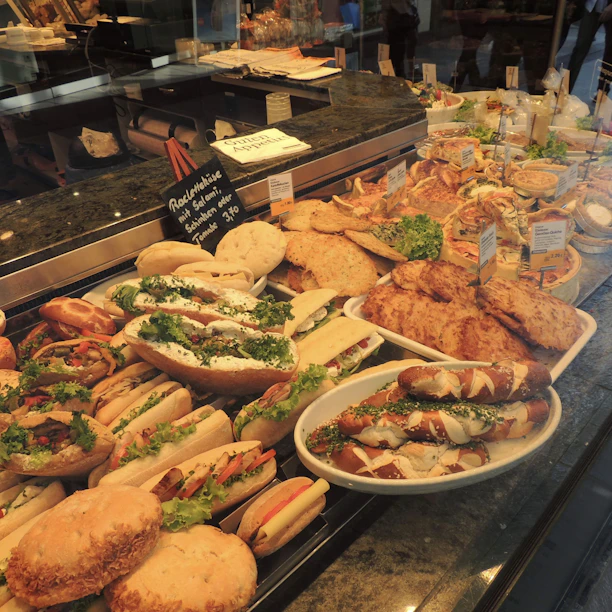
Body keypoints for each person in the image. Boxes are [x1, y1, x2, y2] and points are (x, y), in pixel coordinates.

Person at [567, 0, 610, 92]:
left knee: (609, 54)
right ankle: (565, 89)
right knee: (580, 48)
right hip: (592, 6)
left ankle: (602, 92)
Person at [380, 0, 420, 78]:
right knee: (396, 53)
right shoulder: (394, 9)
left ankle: (406, 71)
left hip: (403, 21)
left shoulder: (408, 9)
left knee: (406, 50)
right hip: (396, 25)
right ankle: (399, 73)